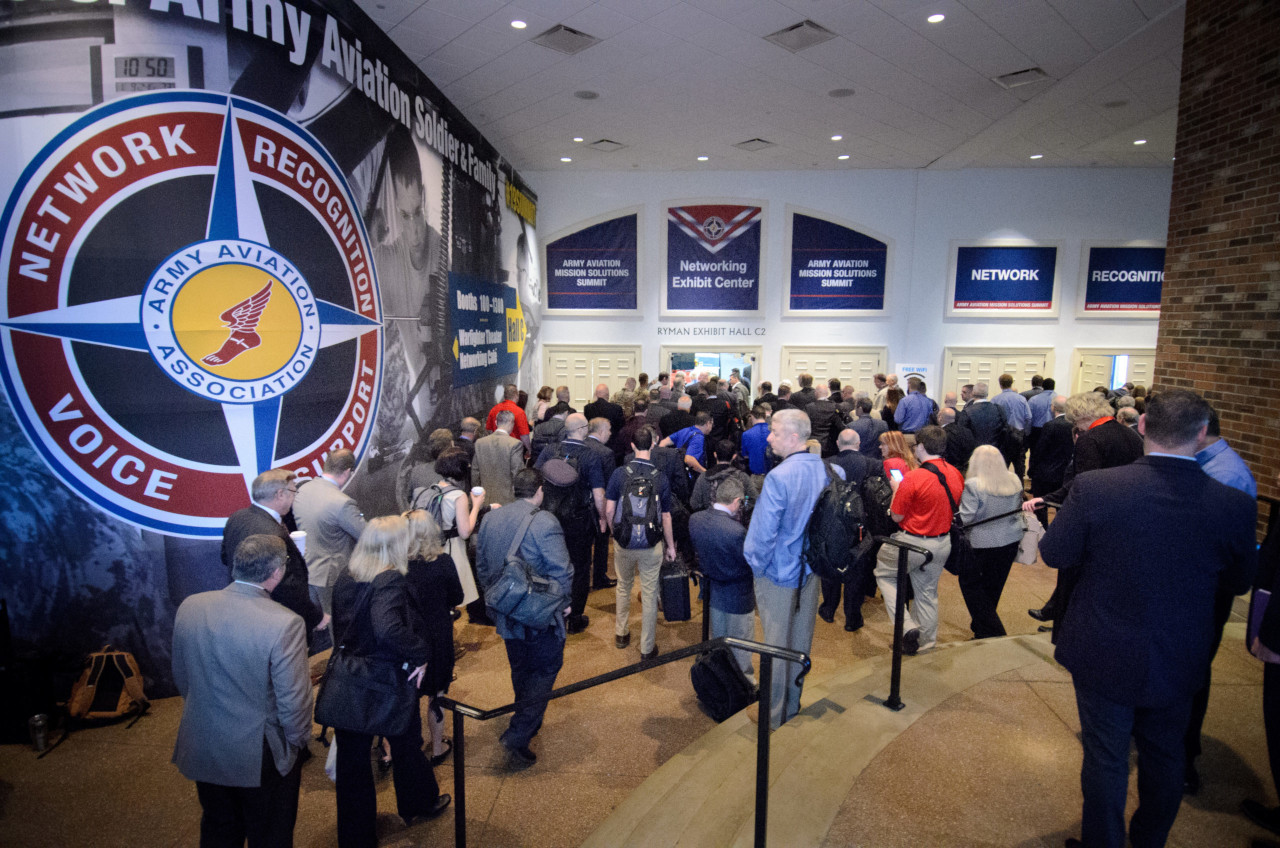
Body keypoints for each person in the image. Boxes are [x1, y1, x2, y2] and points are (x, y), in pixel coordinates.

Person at [1040, 389, 1256, 848]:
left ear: (1141, 427)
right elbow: (1238, 583)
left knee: (1106, 758)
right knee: (1165, 755)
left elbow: (1055, 552)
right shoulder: (1233, 504)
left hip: (1102, 646)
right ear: (1201, 434)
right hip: (1181, 651)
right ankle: (1149, 841)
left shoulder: (1097, 488)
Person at [172, 534, 313, 848]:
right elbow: (294, 701)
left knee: (219, 828)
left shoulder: (191, 606)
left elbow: (182, 678)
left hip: (203, 741)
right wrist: (297, 743)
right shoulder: (285, 623)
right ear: (276, 572)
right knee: (270, 834)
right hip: (260, 754)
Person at [331, 516, 450, 846]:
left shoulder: (346, 575)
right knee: (406, 743)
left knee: (353, 763)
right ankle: (418, 803)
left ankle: (356, 836)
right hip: (388, 677)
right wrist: (421, 652)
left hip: (350, 679)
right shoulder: (389, 579)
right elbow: (388, 629)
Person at [475, 468, 573, 767]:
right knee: (546, 667)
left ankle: (525, 714)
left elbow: (480, 564)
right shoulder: (545, 521)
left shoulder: (491, 518)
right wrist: (564, 603)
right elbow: (562, 569)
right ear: (540, 490)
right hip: (538, 612)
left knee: (519, 666)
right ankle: (519, 732)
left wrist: (496, 601)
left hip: (505, 610)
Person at [743, 409, 833, 729]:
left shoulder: (779, 477)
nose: (769, 437)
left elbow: (762, 537)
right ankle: (793, 705)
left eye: (775, 431)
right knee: (800, 643)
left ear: (794, 438)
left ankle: (774, 717)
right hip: (812, 572)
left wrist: (755, 567)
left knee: (776, 646)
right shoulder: (830, 470)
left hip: (779, 575)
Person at [873, 426, 963, 656]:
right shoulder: (955, 472)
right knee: (927, 594)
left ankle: (906, 627)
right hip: (942, 543)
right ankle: (925, 644)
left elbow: (896, 516)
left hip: (911, 543)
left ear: (921, 447)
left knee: (884, 574)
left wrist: (896, 490)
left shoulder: (913, 478)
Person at [221, 469, 323, 647]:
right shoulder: (274, 534)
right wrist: (315, 617)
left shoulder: (236, 517)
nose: (294, 497)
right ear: (280, 494)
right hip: (277, 622)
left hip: (243, 613)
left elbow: (224, 556)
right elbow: (289, 588)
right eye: (293, 491)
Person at [606, 427, 677, 660]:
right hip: (651, 543)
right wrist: (671, 546)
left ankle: (621, 633)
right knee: (649, 592)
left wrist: (615, 532)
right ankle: (647, 647)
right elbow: (665, 516)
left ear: (633, 446)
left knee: (623, 586)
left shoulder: (619, 474)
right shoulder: (660, 476)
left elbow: (609, 509)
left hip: (624, 541)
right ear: (654, 444)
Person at [534, 413, 609, 633]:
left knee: (550, 564)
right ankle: (575, 616)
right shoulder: (591, 455)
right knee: (580, 568)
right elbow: (598, 494)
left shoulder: (549, 450)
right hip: (579, 520)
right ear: (583, 429)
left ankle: (551, 610)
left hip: (549, 517)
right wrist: (603, 518)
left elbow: (536, 478)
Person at [403, 509, 463, 767]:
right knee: (435, 694)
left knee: (404, 696)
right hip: (437, 635)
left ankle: (391, 751)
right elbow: (457, 597)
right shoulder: (443, 563)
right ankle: (438, 747)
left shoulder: (396, 567)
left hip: (406, 637)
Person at [293, 450, 367, 651]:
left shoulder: (302, 490)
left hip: (310, 570)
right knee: (342, 628)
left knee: (324, 626)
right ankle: (344, 665)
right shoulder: (341, 503)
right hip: (333, 576)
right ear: (348, 471)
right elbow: (367, 535)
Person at [689, 476, 756, 682]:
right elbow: (750, 564)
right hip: (738, 595)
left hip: (712, 592)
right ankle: (745, 684)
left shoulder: (695, 520)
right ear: (736, 501)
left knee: (717, 641)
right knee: (741, 643)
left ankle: (720, 680)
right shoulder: (737, 532)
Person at [818, 428, 885, 632]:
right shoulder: (873, 464)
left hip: (831, 524)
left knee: (829, 566)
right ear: (858, 444)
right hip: (861, 524)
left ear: (838, 444)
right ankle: (852, 618)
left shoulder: (826, 463)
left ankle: (828, 609)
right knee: (856, 572)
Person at [956, 445, 1025, 639]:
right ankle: (982, 628)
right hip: (1010, 540)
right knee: (994, 586)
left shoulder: (974, 485)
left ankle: (992, 629)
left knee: (970, 585)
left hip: (982, 543)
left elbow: (967, 517)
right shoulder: (1014, 479)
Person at [414, 448, 484, 620]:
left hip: (430, 548)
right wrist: (476, 505)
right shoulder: (458, 495)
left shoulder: (428, 490)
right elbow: (465, 531)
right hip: (452, 550)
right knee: (452, 596)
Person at [473, 410, 526, 506]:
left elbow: (475, 472)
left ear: (496, 422)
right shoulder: (515, 444)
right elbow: (517, 472)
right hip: (506, 500)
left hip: (484, 498)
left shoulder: (480, 443)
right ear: (511, 422)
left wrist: (477, 495)